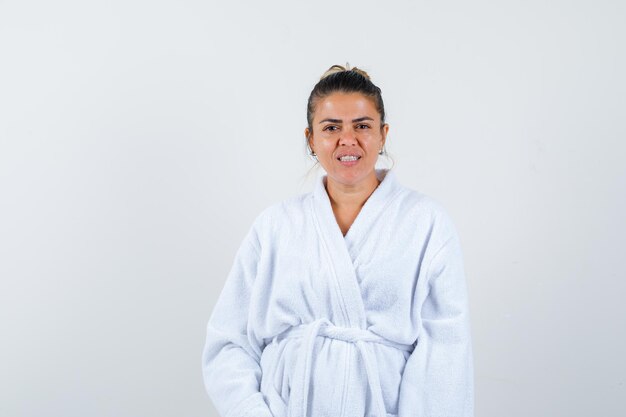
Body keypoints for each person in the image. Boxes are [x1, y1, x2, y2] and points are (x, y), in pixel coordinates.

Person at [202, 64, 474, 417]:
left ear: (383, 134)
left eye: (362, 126)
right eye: (331, 128)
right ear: (311, 139)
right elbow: (228, 342)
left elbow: (446, 354)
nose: (348, 140)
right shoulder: (274, 226)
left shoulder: (426, 223)